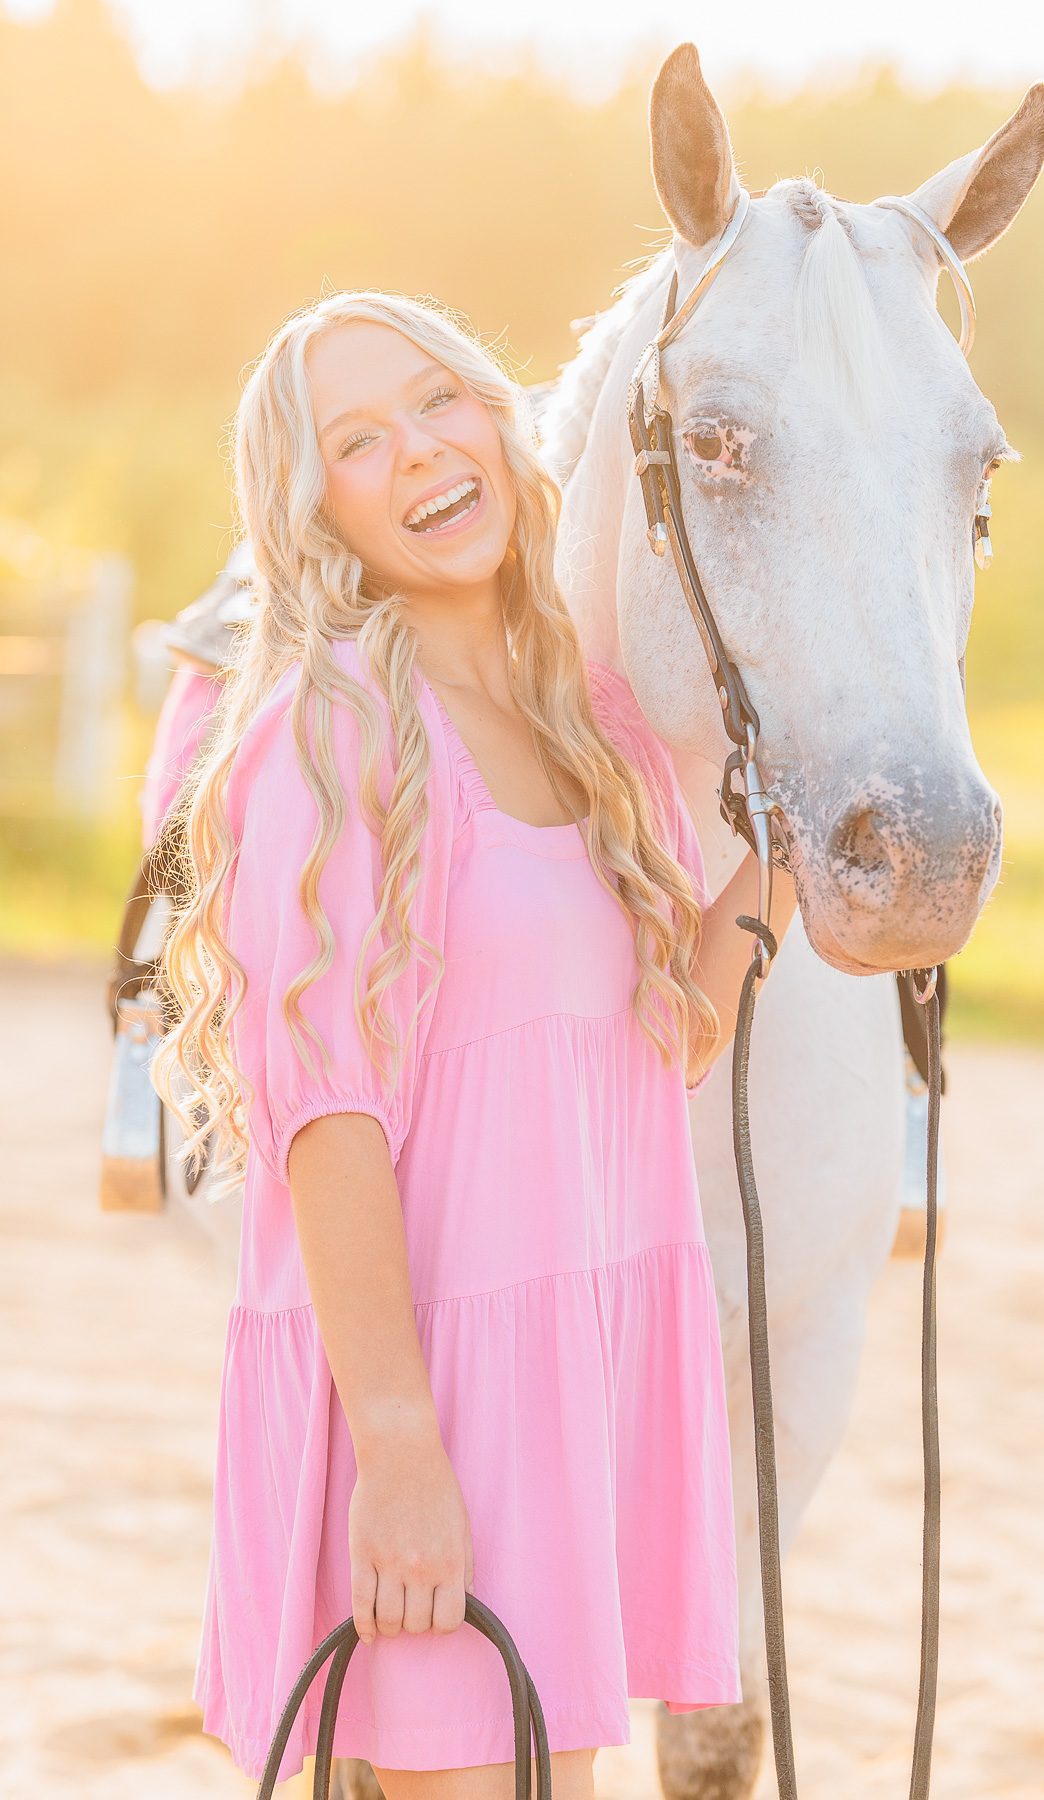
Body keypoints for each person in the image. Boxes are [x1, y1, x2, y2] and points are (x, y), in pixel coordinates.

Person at [156, 290, 797, 1800]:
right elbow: (327, 1123)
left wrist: (771, 866)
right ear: (318, 509)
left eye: (438, 400)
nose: (422, 451)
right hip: (434, 1378)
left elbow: (656, 1044)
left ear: (494, 419)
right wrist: (398, 1449)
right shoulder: (331, 735)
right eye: (360, 441)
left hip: (571, 1364)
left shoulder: (591, 715)